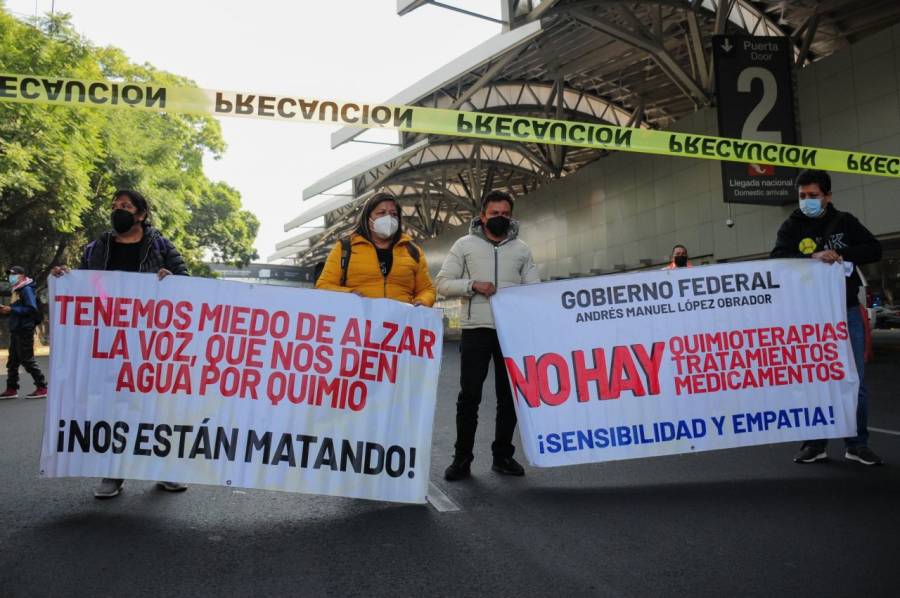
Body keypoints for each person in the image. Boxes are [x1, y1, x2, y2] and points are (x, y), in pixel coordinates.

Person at [52, 189, 191, 497]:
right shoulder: (98, 247)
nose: (118, 211)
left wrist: (172, 278)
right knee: (112, 406)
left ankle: (164, 469)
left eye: (125, 207)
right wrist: (65, 276)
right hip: (108, 339)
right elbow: (83, 283)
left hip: (151, 339)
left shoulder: (160, 245)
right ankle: (113, 472)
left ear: (141, 214)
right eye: (114, 206)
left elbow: (185, 281)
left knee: (155, 406)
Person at [771, 169, 883, 466]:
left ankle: (857, 444)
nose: (807, 201)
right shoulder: (790, 227)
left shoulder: (845, 222)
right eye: (803, 196)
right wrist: (812, 258)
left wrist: (840, 254)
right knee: (813, 379)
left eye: (813, 196)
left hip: (845, 311)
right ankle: (815, 444)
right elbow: (777, 261)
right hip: (808, 316)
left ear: (828, 196)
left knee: (854, 380)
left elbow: (874, 249)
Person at [436, 190, 540, 481]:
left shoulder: (521, 249)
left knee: (509, 399)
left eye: (505, 214)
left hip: (511, 332)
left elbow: (535, 289)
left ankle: (503, 456)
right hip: (475, 330)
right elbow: (442, 284)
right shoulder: (464, 245)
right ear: (482, 216)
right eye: (494, 213)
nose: (500, 218)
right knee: (469, 397)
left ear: (511, 216)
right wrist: (473, 285)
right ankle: (462, 458)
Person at [316, 192, 436, 306]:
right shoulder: (345, 247)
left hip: (400, 323)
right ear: (368, 219)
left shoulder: (412, 250)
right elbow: (323, 285)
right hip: (359, 323)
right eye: (381, 213)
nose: (388, 218)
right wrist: (349, 294)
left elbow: (427, 289)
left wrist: (423, 301)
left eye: (394, 214)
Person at [0, 266, 48, 400]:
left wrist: (11, 309)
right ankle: (11, 389)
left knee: (27, 360)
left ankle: (42, 387)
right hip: (17, 328)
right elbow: (16, 309)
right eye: (9, 274)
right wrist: (7, 310)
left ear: (21, 275)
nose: (10, 277)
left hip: (24, 329)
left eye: (13, 274)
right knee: (12, 362)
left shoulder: (26, 289)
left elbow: (31, 308)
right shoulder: (17, 289)